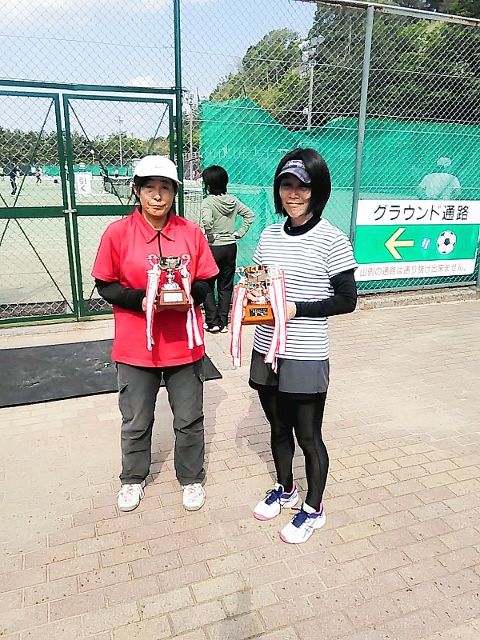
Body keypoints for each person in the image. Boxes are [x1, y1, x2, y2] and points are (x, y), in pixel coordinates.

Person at [91, 155, 219, 513]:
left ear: (175, 192)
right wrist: (142, 300)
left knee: (189, 419)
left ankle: (191, 477)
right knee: (136, 420)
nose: (158, 196)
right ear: (136, 190)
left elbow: (206, 279)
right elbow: (105, 285)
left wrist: (190, 296)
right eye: (150, 188)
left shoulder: (190, 232)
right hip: (136, 346)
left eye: (165, 188)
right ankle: (133, 478)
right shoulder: (117, 233)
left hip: (184, 344)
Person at [249, 148, 357, 544]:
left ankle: (313, 509)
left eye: (303, 186)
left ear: (318, 190)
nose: (293, 193)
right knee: (278, 427)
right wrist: (251, 299)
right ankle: (286, 489)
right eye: (286, 184)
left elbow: (347, 300)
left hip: (305, 354)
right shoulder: (268, 235)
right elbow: (259, 283)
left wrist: (297, 308)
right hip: (267, 348)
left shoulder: (332, 239)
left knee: (308, 436)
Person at [200, 165, 254, 333]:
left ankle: (212, 322)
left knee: (207, 284)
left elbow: (207, 221)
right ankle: (223, 322)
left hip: (213, 247)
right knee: (226, 285)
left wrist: (209, 233)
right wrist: (239, 233)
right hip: (230, 246)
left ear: (208, 184)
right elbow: (249, 215)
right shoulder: (233, 200)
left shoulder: (208, 202)